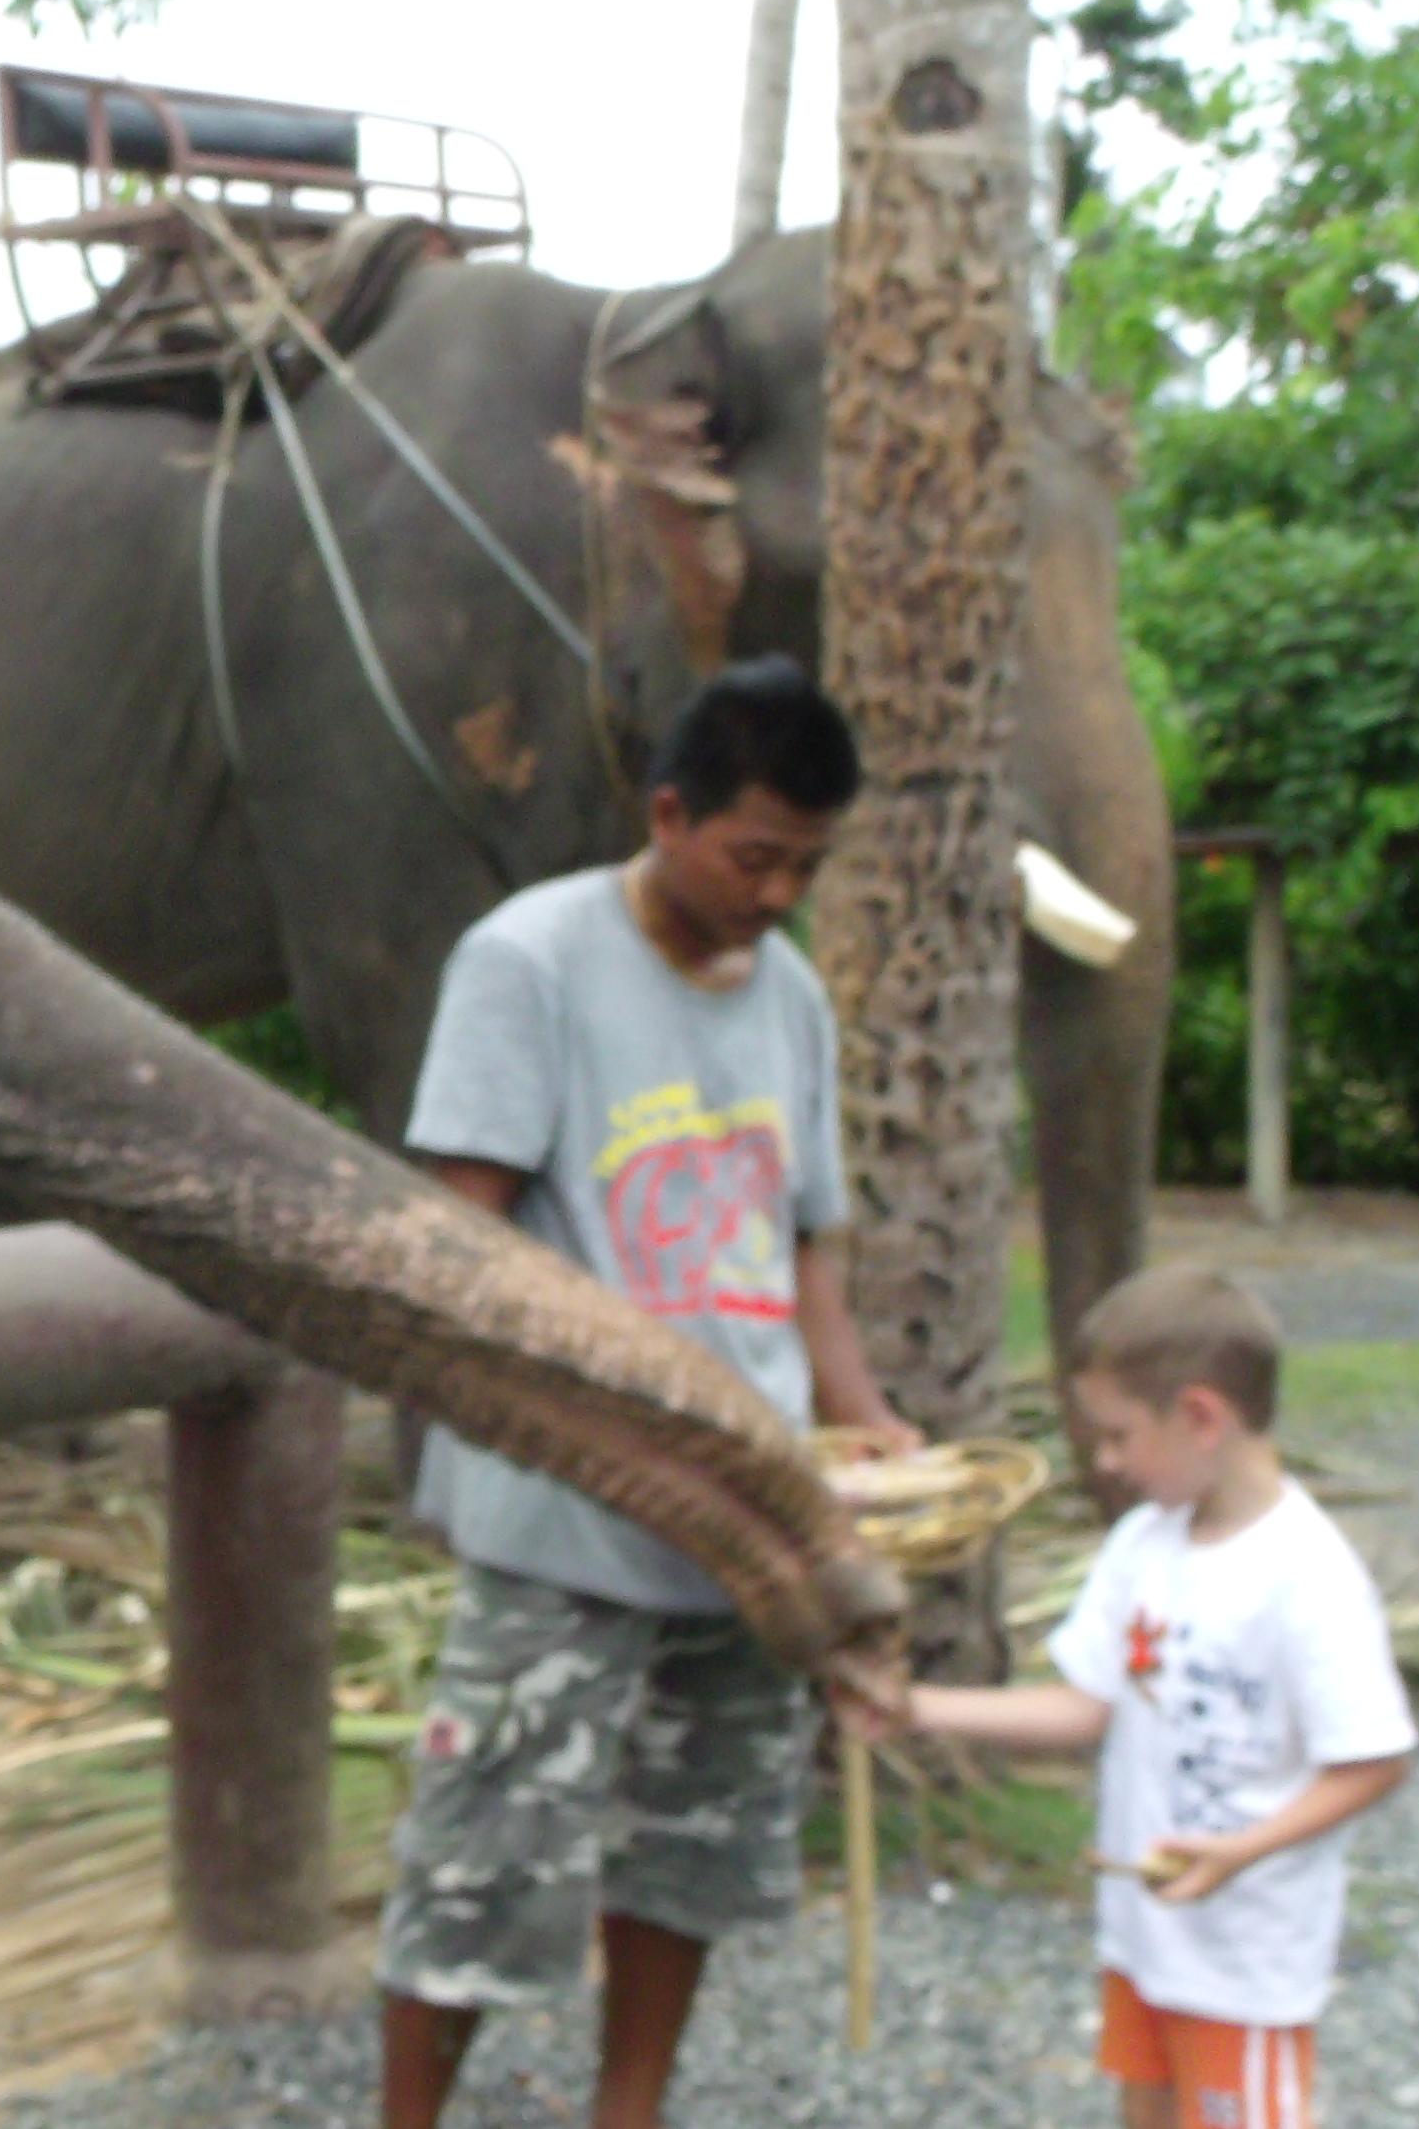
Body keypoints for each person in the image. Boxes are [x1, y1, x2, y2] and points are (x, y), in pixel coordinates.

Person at [378, 655, 916, 2129]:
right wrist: (586, 1417)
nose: (776, 893)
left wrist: (853, 1420)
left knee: (687, 1847)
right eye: (753, 856)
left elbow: (804, 1247)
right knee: (480, 1852)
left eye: (805, 864)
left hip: (743, 1517)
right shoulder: (526, 962)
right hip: (565, 1509)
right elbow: (456, 1241)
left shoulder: (789, 993)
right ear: (667, 814)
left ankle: (632, 2109)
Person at [884, 1265, 1414, 2129]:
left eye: (1119, 1433)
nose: (1106, 1460)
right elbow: (1087, 1703)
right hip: (1146, 1946)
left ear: (1201, 1416)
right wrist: (916, 1708)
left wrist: (1241, 1849)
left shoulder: (1307, 1577)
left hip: (1244, 1966)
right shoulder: (1142, 1544)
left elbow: (1373, 1758)